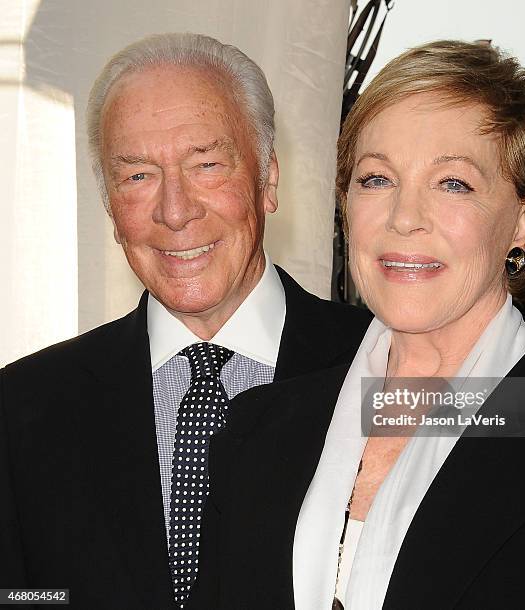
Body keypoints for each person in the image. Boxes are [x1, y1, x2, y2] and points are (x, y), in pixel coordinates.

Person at [199, 41, 525, 609]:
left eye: (453, 183)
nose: (404, 218)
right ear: (345, 202)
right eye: (376, 179)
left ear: (524, 219)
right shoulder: (259, 429)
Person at [0, 33, 371, 610]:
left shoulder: (387, 370)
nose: (175, 211)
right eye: (138, 176)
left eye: (207, 164)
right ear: (108, 203)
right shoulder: (22, 407)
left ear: (269, 179)